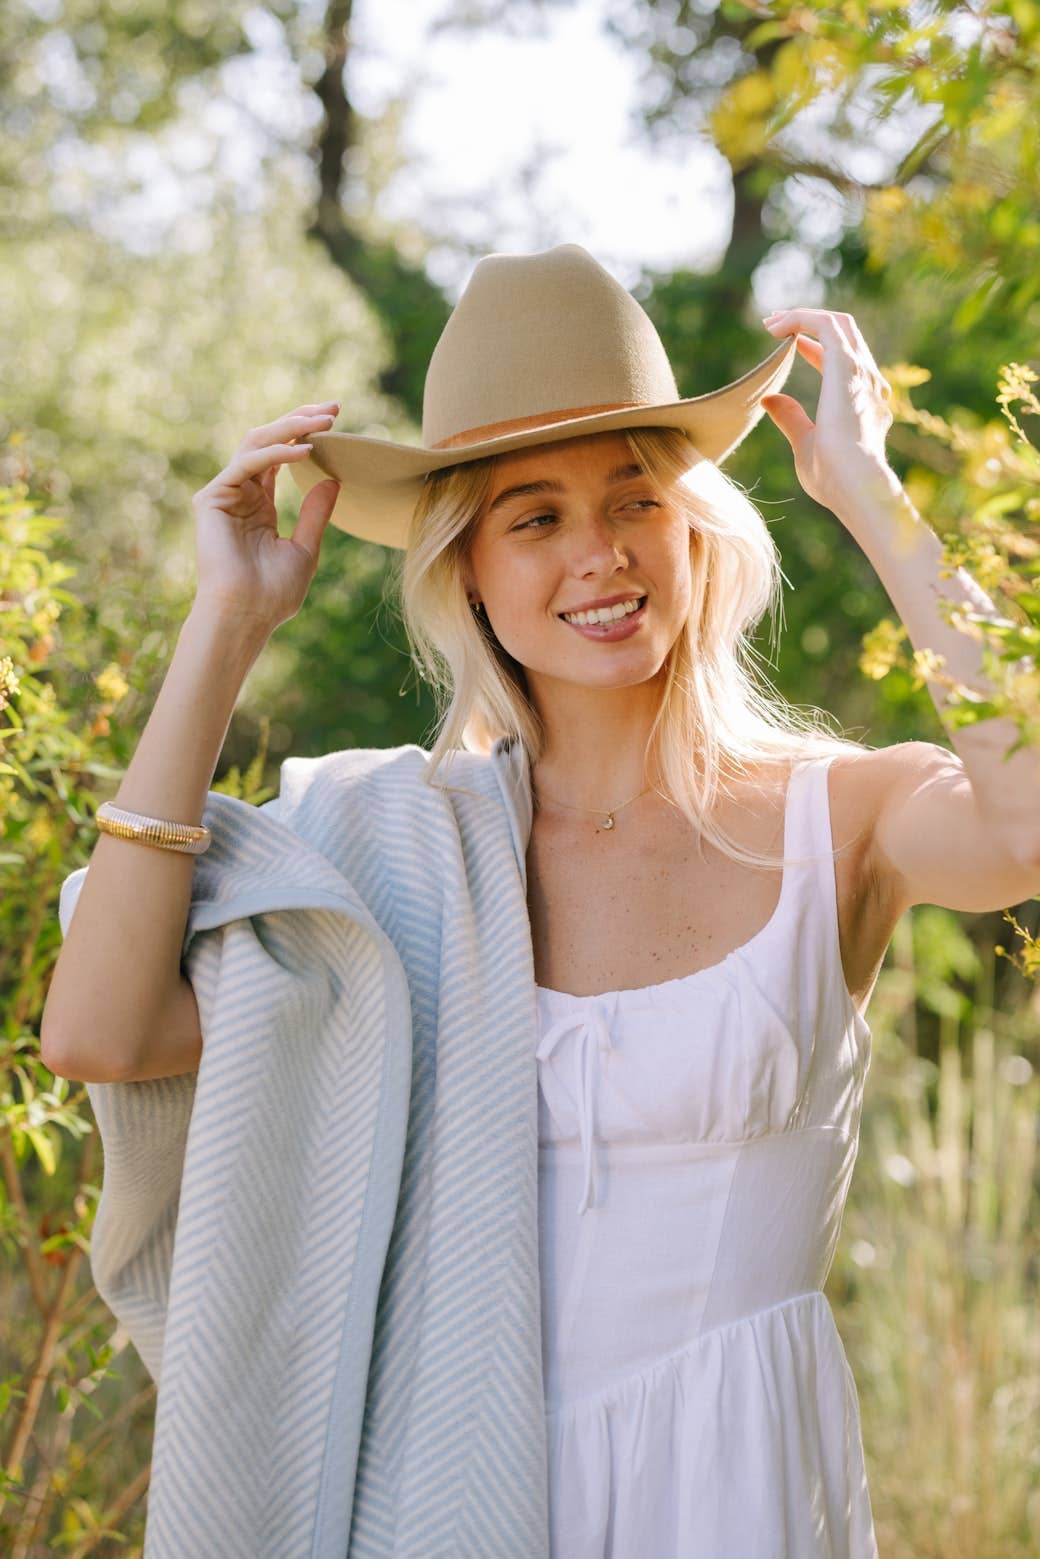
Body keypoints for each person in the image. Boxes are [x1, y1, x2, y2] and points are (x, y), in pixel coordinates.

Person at [41, 245, 1033, 1557]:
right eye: (536, 518)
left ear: (698, 530)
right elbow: (100, 1032)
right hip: (457, 1492)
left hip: (738, 1495)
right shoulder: (404, 863)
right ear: (468, 574)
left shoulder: (836, 814)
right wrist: (225, 626)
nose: (601, 556)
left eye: (637, 500)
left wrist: (867, 492)